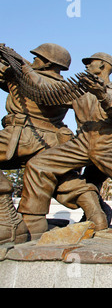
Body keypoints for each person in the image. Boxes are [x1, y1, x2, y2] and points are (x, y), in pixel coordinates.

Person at [18, 52, 112, 241]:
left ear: (103, 66)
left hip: (109, 141)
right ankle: (34, 222)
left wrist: (102, 94)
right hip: (81, 140)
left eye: (91, 63)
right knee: (38, 165)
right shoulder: (77, 91)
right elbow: (46, 90)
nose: (86, 66)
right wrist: (24, 68)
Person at [0, 43, 98, 244]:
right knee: (61, 182)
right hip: (52, 141)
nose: (34, 60)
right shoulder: (59, 86)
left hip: (23, 135)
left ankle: (5, 211)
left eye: (37, 58)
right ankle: (35, 223)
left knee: (48, 176)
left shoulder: (37, 80)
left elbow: (41, 89)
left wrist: (20, 67)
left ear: (47, 63)